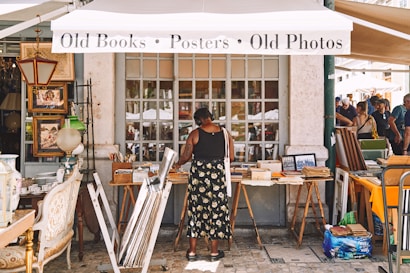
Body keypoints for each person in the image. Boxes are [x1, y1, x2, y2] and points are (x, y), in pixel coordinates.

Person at [173, 107, 234, 261]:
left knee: (195, 211)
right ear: (210, 117)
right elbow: (231, 157)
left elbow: (186, 155)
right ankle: (214, 253)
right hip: (217, 179)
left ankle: (192, 252)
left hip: (198, 178)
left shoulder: (195, 133)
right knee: (217, 212)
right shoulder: (226, 134)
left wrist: (178, 164)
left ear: (198, 120)